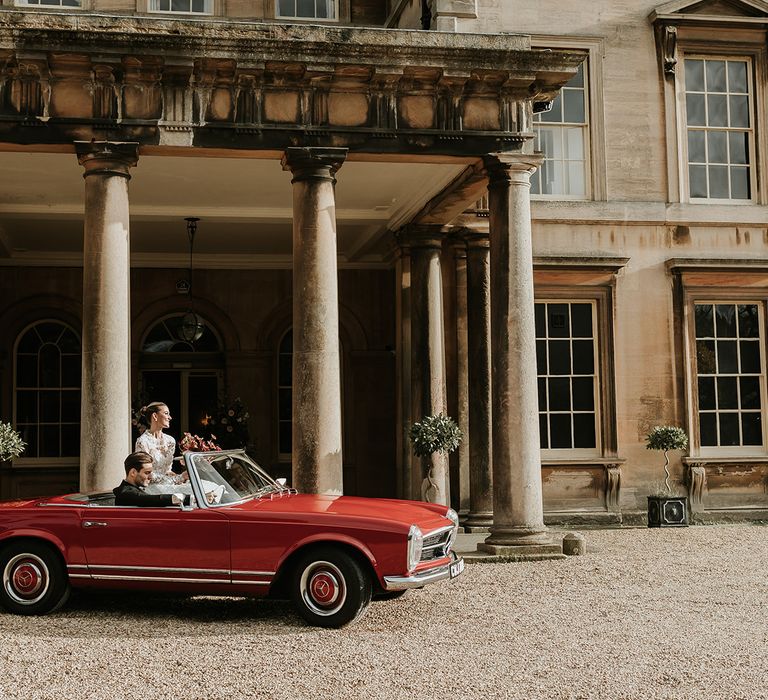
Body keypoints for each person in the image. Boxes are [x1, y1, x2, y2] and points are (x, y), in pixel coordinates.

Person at [134, 402, 186, 485]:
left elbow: (167, 471)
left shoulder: (170, 441)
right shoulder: (142, 442)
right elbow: (146, 474)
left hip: (169, 484)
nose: (170, 417)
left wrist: (181, 478)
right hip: (152, 488)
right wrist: (179, 478)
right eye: (166, 413)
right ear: (155, 416)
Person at [114, 452, 190, 507]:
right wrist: (185, 498)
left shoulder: (133, 489)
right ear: (133, 472)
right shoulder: (125, 493)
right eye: (147, 473)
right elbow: (152, 499)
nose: (151, 477)